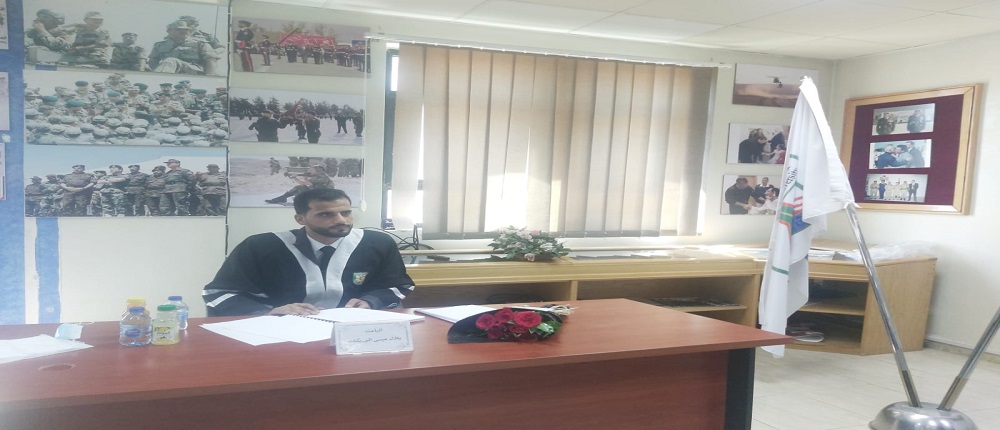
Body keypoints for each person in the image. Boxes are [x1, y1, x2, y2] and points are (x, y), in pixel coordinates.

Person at [203, 188, 415, 316]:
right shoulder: (261, 246)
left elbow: (397, 285)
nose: (341, 220)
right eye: (325, 214)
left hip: (353, 329)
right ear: (300, 219)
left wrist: (371, 301)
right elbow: (220, 293)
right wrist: (268, 312)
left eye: (346, 212)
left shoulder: (377, 243)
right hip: (281, 333)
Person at [149, 20, 219, 75]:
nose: (183, 31)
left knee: (171, 61)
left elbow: (211, 60)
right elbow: (153, 61)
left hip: (193, 70)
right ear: (169, 31)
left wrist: (210, 76)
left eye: (186, 29)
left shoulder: (200, 43)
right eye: (179, 29)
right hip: (169, 68)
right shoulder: (159, 45)